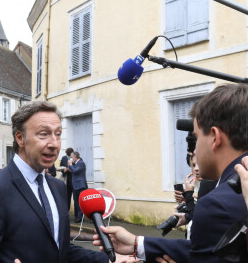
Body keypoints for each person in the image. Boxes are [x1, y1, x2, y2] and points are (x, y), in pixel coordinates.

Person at [93, 83, 248, 262]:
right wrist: (138, 244)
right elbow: (215, 247)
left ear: (214, 137)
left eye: (196, 138)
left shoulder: (216, 205)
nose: (194, 149)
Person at [0, 101, 110, 263]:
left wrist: (108, 260)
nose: (54, 144)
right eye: (44, 134)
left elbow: (60, 249)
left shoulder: (58, 187)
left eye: (58, 134)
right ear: (20, 138)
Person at [68, 151, 88, 223]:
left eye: (72, 157)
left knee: (82, 202)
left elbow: (75, 171)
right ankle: (79, 216)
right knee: (76, 202)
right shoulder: (75, 163)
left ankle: (82, 216)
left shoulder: (81, 163)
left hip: (80, 185)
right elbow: (73, 171)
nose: (71, 159)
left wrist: (70, 164)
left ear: (75, 157)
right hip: (75, 185)